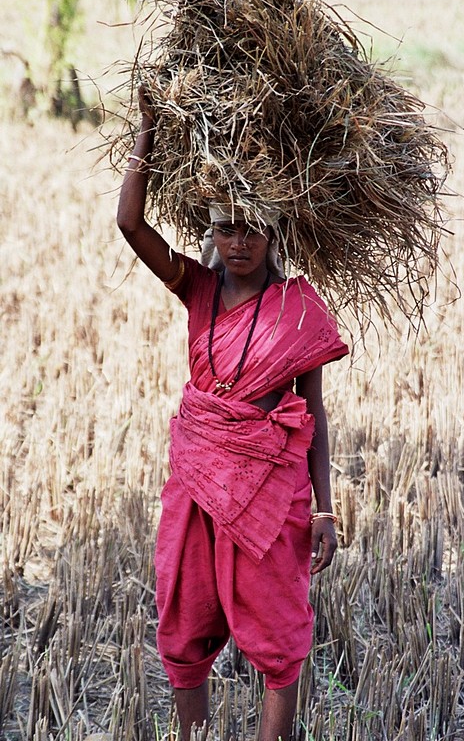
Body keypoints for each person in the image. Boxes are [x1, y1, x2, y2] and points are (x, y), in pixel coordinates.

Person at [116, 88, 349, 741]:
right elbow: (130, 225)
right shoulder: (196, 288)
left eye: (249, 227)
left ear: (273, 228)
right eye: (224, 227)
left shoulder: (300, 309)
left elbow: (315, 413)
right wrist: (147, 131)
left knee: (276, 627)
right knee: (183, 616)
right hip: (195, 481)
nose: (237, 241)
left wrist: (323, 508)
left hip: (271, 491)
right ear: (209, 232)